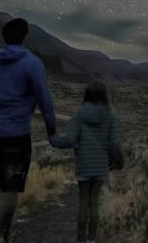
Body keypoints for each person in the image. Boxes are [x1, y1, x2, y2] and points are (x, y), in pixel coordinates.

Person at [0, 18, 57, 241]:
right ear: (24, 36)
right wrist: (52, 132)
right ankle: (1, 237)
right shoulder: (32, 63)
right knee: (9, 188)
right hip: (17, 135)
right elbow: (45, 101)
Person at [49, 80, 122, 243]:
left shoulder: (80, 114)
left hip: (84, 166)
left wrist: (53, 139)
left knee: (83, 202)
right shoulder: (112, 115)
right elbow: (115, 144)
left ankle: (80, 239)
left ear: (87, 94)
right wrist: (117, 161)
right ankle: (91, 239)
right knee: (94, 202)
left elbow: (68, 139)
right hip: (101, 167)